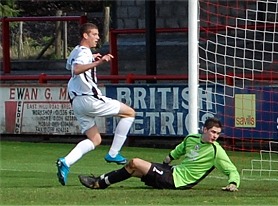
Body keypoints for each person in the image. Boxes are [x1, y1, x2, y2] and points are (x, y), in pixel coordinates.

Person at [56, 23, 135, 186]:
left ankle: (66, 162)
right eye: (94, 34)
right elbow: (76, 69)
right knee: (129, 113)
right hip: (89, 99)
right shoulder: (84, 52)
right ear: (85, 35)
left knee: (95, 139)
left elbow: (70, 65)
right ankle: (113, 153)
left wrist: (92, 58)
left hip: (77, 102)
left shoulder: (77, 51)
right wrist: (98, 62)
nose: (97, 37)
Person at [78, 117, 240, 191]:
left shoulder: (216, 151)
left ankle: (97, 183)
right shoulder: (192, 138)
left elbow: (231, 169)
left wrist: (233, 183)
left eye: (217, 134)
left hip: (178, 182)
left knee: (135, 162)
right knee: (132, 169)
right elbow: (181, 148)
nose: (215, 136)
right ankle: (99, 182)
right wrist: (169, 158)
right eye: (213, 132)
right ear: (204, 130)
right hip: (173, 171)